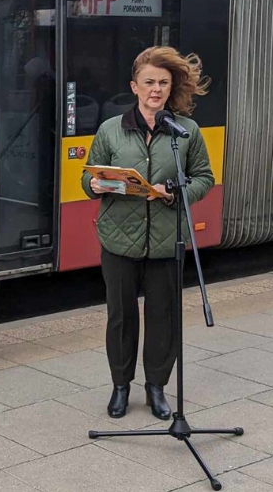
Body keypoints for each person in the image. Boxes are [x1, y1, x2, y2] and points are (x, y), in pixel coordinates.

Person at [82, 46, 214, 420]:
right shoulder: (111, 129)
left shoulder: (186, 132)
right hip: (118, 240)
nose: (156, 89)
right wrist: (95, 184)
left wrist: (176, 194)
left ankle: (156, 387)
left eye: (163, 83)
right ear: (134, 87)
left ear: (171, 89)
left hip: (167, 239)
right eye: (149, 82)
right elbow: (87, 177)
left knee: (163, 317)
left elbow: (205, 177)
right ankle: (120, 386)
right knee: (120, 317)